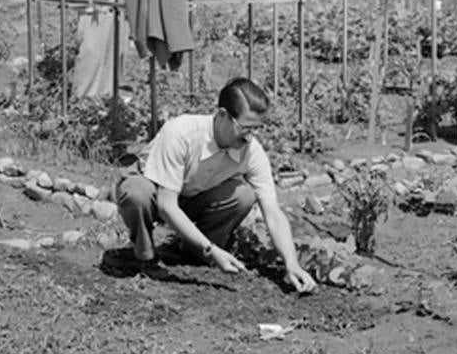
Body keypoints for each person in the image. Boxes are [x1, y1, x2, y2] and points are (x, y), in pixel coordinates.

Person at [115, 77, 318, 293]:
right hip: (156, 194)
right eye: (246, 127)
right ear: (222, 115)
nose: (251, 136)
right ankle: (145, 257)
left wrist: (291, 263)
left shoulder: (251, 151)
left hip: (191, 198)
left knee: (243, 195)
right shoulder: (181, 132)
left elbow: (274, 213)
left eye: (256, 129)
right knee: (136, 193)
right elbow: (166, 205)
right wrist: (211, 250)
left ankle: (192, 252)